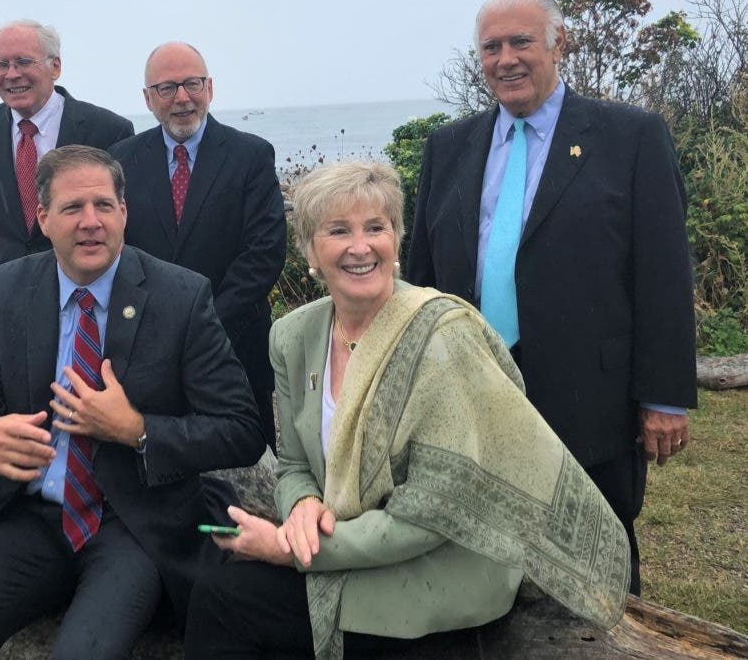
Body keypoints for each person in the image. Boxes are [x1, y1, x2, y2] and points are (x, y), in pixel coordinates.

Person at [185, 162, 630, 659]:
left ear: (396, 239)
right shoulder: (293, 336)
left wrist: (294, 552)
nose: (361, 246)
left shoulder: (442, 339)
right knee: (215, 583)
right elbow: (292, 465)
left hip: (439, 566)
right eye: (339, 231)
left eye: (376, 227)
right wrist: (303, 505)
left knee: (230, 600)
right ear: (310, 250)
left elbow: (431, 514)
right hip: (346, 542)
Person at [0, 145, 265, 660]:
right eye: (73, 208)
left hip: (132, 523)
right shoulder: (4, 290)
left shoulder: (180, 295)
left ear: (125, 213)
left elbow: (241, 430)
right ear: (44, 218)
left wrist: (137, 430)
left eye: (103, 205)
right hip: (30, 516)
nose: (90, 222)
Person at [406, 0, 697, 594]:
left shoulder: (630, 136)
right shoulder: (449, 147)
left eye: (521, 42)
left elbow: (665, 271)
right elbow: (423, 273)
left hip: (590, 393)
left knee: (599, 555)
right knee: (485, 552)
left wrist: (665, 396)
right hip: (474, 386)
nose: (506, 58)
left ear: (558, 43)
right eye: (491, 47)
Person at [110, 42, 286, 448]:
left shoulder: (251, 154)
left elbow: (264, 251)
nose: (183, 98)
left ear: (209, 87)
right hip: (147, 344)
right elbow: (117, 247)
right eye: (167, 88)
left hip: (235, 341)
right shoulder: (121, 160)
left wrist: (205, 322)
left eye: (192, 84)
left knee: (245, 464)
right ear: (148, 98)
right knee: (159, 457)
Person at [0, 19, 134, 267]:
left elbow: (119, 220)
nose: (12, 74)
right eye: (1, 65)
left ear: (56, 67)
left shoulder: (109, 130)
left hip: (84, 282)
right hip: (7, 285)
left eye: (23, 62)